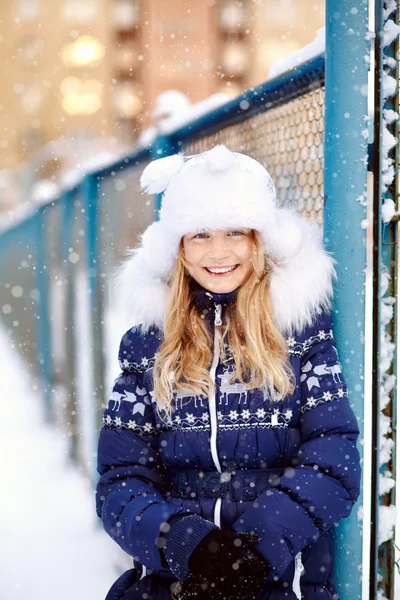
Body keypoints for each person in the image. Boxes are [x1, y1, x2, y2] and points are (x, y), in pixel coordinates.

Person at [96, 145, 361, 600]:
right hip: (176, 582)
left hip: (280, 579)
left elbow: (333, 458)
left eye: (236, 231)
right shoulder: (148, 343)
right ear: (177, 246)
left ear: (261, 238)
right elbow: (120, 479)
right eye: (199, 234)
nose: (217, 252)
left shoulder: (299, 332)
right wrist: (188, 544)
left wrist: (253, 550)